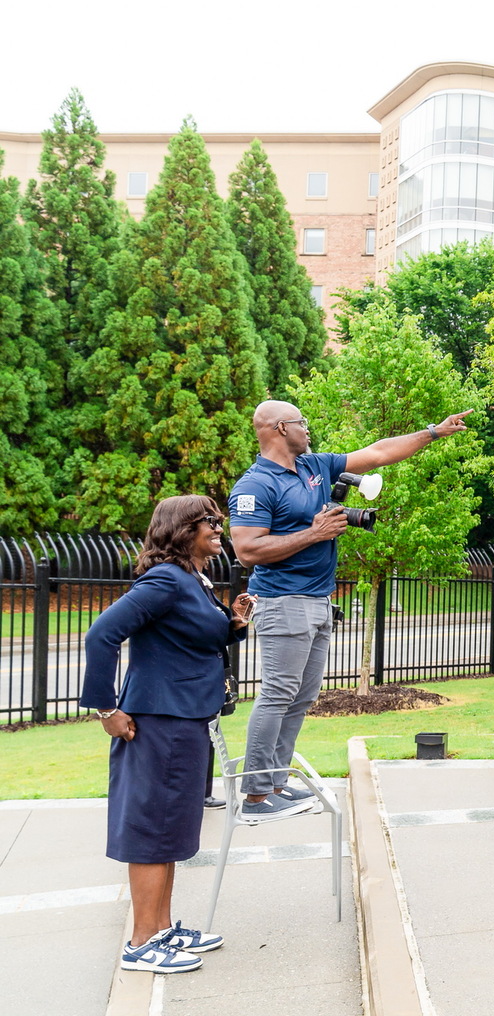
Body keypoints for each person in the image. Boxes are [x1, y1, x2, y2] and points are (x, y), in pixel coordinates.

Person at [228, 400, 471, 818]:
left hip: (318, 601)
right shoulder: (255, 484)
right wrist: (314, 533)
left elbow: (377, 453)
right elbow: (247, 550)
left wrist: (433, 432)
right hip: (283, 601)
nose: (308, 429)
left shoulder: (314, 466)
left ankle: (276, 782)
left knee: (301, 698)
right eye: (302, 422)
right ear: (281, 428)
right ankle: (255, 797)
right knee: (277, 695)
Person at [82, 496, 252, 973]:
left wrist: (233, 623)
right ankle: (141, 943)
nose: (218, 528)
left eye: (218, 520)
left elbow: (191, 637)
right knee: (152, 828)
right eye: (208, 521)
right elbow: (101, 635)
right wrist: (107, 708)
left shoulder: (193, 580)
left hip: (184, 719)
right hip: (159, 722)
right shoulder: (165, 580)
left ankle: (161, 929)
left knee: (170, 827)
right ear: (181, 530)